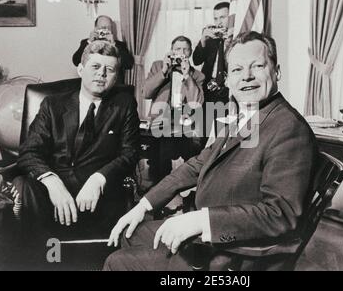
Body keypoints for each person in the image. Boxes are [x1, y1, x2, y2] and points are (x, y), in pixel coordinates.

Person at [103, 32, 319, 271]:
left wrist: (201, 220)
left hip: (233, 255)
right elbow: (197, 164)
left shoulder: (288, 128)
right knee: (131, 232)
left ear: (276, 72)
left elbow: (279, 214)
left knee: (117, 263)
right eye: (237, 70)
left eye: (257, 66)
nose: (246, 76)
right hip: (212, 234)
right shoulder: (250, 116)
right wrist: (144, 204)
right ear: (228, 79)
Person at [17, 41, 140, 241]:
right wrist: (52, 182)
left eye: (109, 70)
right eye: (95, 67)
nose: (102, 74)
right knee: (25, 186)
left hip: (97, 194)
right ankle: (37, 256)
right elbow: (29, 151)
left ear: (116, 77)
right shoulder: (52, 105)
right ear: (81, 69)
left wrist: (99, 179)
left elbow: (130, 153)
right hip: (52, 191)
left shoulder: (124, 105)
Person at [143, 36, 205, 186]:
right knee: (160, 159)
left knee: (192, 155)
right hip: (161, 118)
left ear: (190, 53)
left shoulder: (198, 75)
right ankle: (157, 195)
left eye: (185, 49)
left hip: (183, 121)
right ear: (171, 51)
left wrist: (187, 76)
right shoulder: (158, 66)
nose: (181, 53)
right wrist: (164, 70)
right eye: (177, 49)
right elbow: (146, 93)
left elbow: (196, 103)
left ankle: (187, 195)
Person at [72, 15, 134, 84]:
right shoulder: (86, 42)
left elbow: (128, 64)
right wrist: (89, 42)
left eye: (108, 27)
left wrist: (113, 44)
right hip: (91, 83)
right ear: (95, 29)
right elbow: (76, 61)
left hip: (114, 85)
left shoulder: (119, 45)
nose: (105, 30)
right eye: (102, 27)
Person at [193, 2, 232, 104]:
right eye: (216, 18)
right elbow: (196, 60)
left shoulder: (236, 38)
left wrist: (229, 44)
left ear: (231, 17)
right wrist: (203, 40)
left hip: (228, 90)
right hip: (208, 88)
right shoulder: (210, 38)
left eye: (222, 17)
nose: (219, 22)